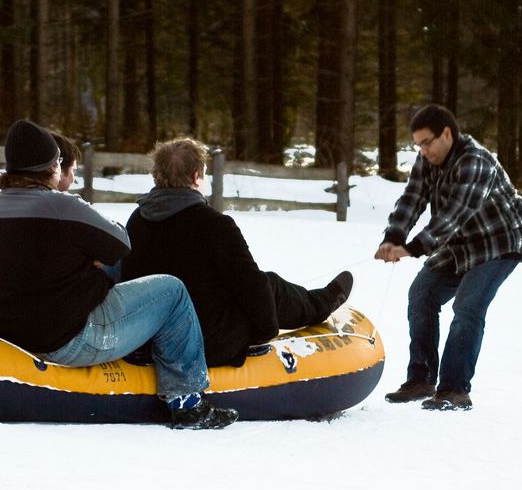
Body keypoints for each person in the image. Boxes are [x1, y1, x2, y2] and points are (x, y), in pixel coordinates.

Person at [0, 120, 237, 429]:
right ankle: (188, 402)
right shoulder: (63, 206)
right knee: (172, 291)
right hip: (63, 339)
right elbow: (120, 245)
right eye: (58, 162)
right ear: (51, 168)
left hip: (1, 331)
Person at [120, 137, 353, 367]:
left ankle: (316, 301)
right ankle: (322, 304)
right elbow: (252, 285)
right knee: (269, 285)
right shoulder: (214, 225)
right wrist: (263, 333)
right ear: (195, 177)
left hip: (148, 338)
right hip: (203, 341)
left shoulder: (137, 219)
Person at [375, 104, 522, 410]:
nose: (422, 151)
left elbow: (454, 215)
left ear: (446, 133)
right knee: (421, 293)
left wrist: (414, 247)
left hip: (498, 243)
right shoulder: (428, 160)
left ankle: (454, 390)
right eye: (417, 144)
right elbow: (413, 197)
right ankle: (421, 379)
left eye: (427, 142)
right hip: (459, 245)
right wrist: (394, 237)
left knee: (468, 306)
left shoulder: (476, 162)